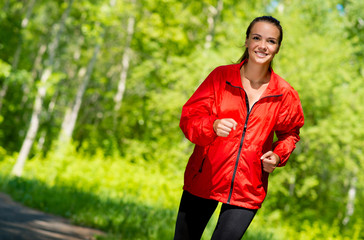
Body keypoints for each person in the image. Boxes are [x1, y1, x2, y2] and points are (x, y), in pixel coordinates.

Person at [173, 16, 304, 240]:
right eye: (257, 38)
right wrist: (212, 126)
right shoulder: (220, 77)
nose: (263, 46)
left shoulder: (284, 93)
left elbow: (290, 133)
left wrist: (278, 155)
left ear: (277, 48)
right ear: (246, 41)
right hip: (204, 179)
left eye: (271, 41)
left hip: (248, 188)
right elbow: (189, 119)